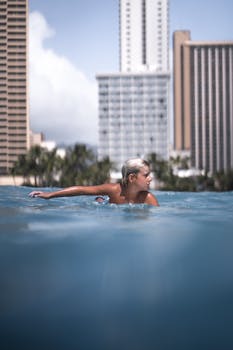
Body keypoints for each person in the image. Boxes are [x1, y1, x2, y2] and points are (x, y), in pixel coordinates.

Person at [29, 158, 159, 206]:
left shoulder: (148, 199)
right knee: (99, 202)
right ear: (132, 178)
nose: (150, 178)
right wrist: (49, 195)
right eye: (146, 175)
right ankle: (101, 201)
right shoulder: (114, 190)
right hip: (108, 204)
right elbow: (82, 190)